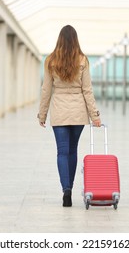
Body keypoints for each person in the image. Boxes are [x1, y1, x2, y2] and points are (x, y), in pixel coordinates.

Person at [37, 25, 101, 207]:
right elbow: (87, 90)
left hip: (59, 111)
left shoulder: (50, 60)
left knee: (62, 151)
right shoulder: (83, 60)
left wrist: (42, 114)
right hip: (78, 111)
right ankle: (70, 187)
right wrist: (94, 115)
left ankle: (66, 190)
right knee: (72, 151)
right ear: (75, 40)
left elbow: (46, 90)